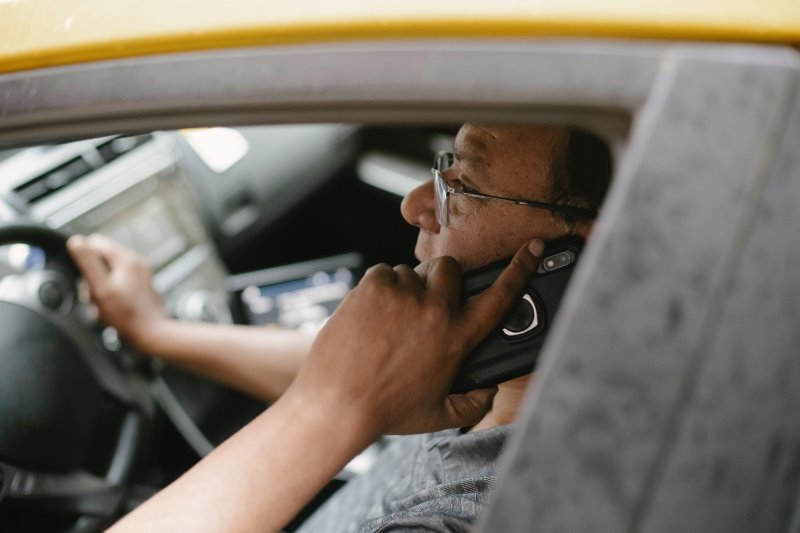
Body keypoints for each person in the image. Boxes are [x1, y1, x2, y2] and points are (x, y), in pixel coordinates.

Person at [67, 123, 612, 531]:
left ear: (587, 257)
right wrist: (161, 334)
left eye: (463, 184)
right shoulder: (502, 373)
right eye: (443, 165)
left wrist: (328, 410)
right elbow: (356, 375)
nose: (414, 204)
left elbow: (345, 389)